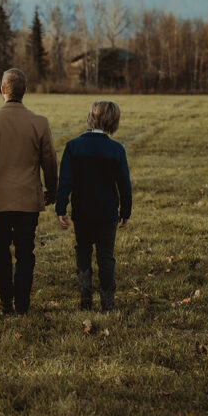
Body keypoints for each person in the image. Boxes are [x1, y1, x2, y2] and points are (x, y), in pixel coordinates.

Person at [0, 68, 58, 315]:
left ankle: (6, 300)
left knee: (1, 247)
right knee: (26, 250)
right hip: (28, 197)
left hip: (0, 198)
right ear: (25, 91)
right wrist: (52, 189)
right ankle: (23, 305)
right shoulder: (39, 122)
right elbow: (49, 161)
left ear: (2, 90)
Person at [55, 101, 132, 311]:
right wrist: (126, 211)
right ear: (114, 122)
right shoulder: (116, 149)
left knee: (83, 251)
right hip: (107, 213)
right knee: (106, 256)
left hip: (82, 211)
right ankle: (107, 303)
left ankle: (85, 298)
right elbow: (124, 184)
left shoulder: (73, 146)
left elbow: (65, 182)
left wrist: (61, 208)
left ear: (91, 118)